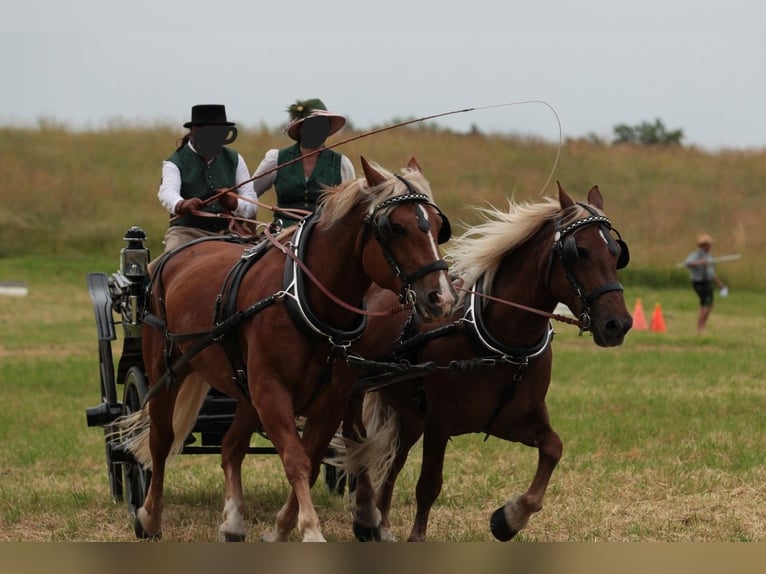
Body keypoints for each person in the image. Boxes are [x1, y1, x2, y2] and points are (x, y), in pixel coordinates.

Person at [155, 104, 258, 256]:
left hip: (230, 232)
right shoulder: (174, 162)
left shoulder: (235, 159)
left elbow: (252, 203)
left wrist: (235, 203)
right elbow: (167, 192)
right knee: (171, 259)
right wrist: (182, 204)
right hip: (188, 233)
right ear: (195, 132)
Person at [250, 98, 355, 228]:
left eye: (323, 125)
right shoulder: (276, 159)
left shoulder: (341, 164)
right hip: (281, 236)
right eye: (314, 125)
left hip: (323, 236)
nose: (319, 130)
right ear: (301, 128)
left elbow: (350, 209)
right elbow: (249, 193)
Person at [684, 233, 727, 334]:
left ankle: (702, 325)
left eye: (710, 244)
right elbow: (688, 263)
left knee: (709, 304)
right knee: (706, 304)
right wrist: (700, 262)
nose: (709, 246)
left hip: (707, 282)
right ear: (702, 245)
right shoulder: (695, 255)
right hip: (699, 282)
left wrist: (720, 284)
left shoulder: (710, 256)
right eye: (707, 244)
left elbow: (712, 273)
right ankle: (700, 328)